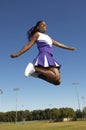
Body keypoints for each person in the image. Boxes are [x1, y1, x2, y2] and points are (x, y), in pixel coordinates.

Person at [10, 20, 76, 85]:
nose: (45, 26)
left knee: (58, 82)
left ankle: (35, 74)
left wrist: (70, 48)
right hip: (44, 56)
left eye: (46, 25)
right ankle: (35, 68)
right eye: (43, 25)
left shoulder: (49, 38)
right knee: (56, 77)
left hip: (50, 57)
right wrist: (17, 54)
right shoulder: (37, 34)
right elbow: (27, 46)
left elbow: (60, 44)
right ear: (38, 27)